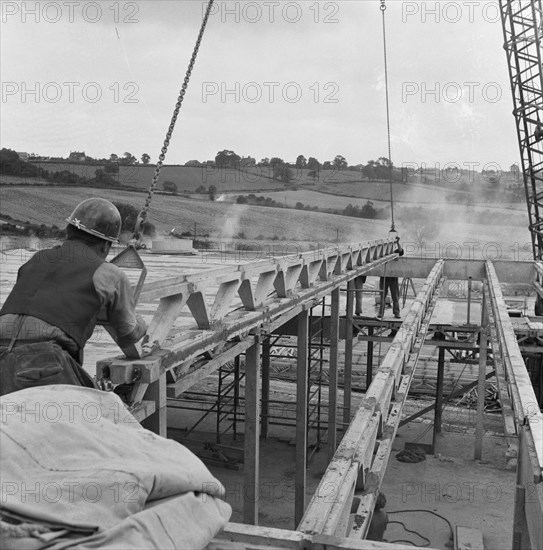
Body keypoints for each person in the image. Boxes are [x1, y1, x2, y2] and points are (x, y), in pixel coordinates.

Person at [0, 198, 147, 396]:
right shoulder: (109, 273)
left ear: (68, 232)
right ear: (106, 246)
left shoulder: (36, 259)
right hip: (44, 362)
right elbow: (129, 334)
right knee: (98, 412)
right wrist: (141, 323)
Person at [379, 235, 404, 319]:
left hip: (393, 277)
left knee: (395, 296)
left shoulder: (395, 251)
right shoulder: (382, 252)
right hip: (384, 277)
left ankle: (396, 313)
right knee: (382, 296)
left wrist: (398, 243)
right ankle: (381, 313)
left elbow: (400, 251)